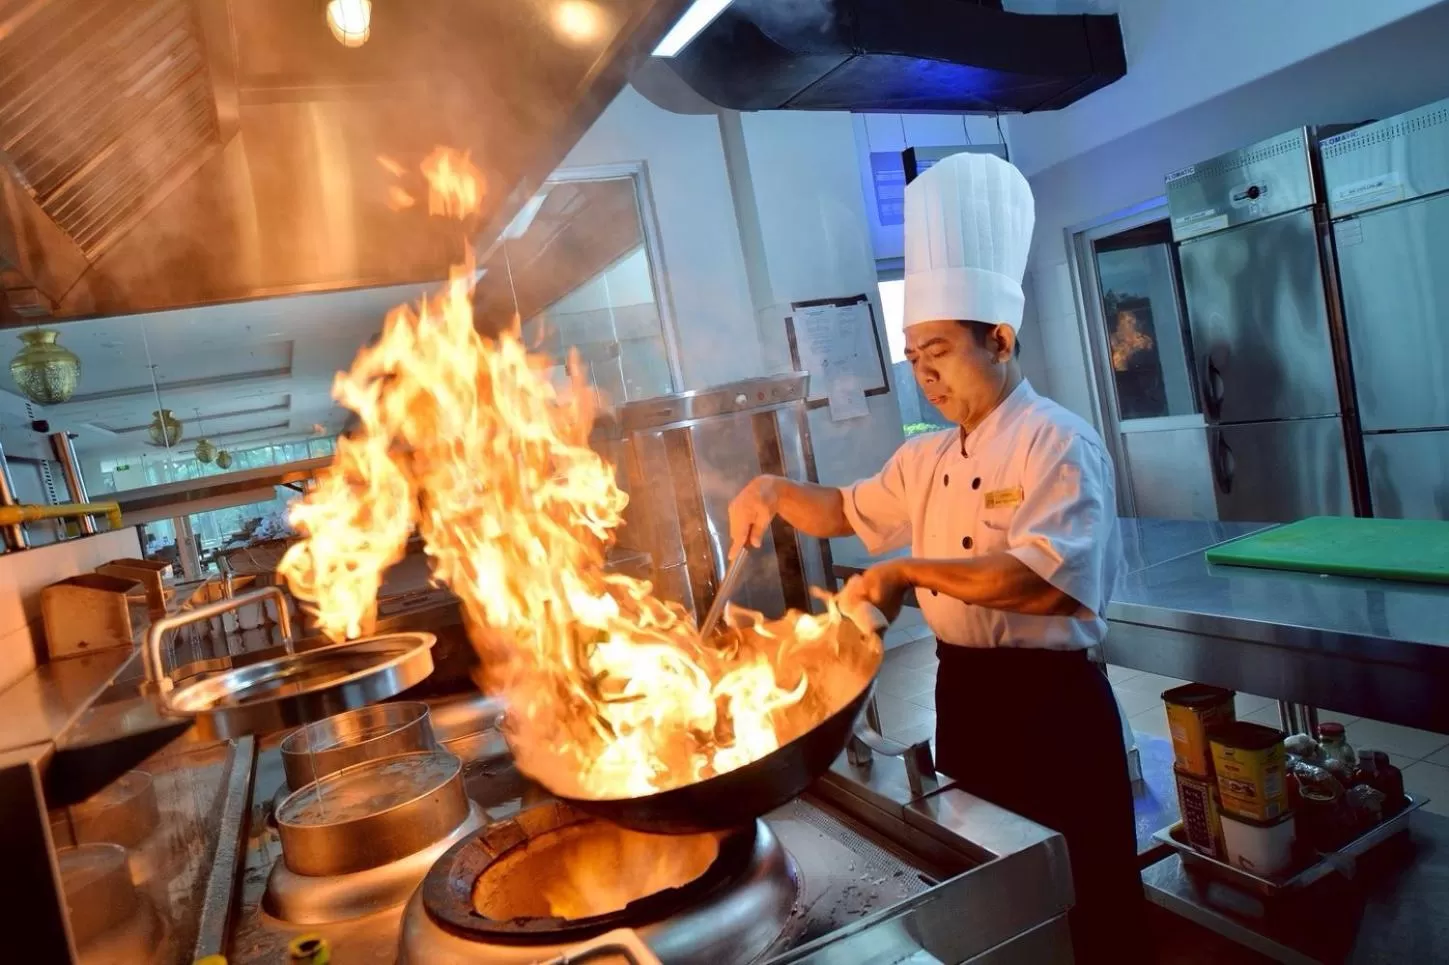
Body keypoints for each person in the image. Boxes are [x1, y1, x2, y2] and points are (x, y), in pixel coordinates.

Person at [727, 152, 1150, 964]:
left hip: (1053, 707)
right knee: (999, 887)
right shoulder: (926, 457)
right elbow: (846, 509)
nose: (924, 377)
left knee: (1088, 889)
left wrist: (904, 572)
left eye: (938, 354)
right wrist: (776, 488)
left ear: (998, 337)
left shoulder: (1055, 441)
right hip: (967, 697)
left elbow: (1040, 583)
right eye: (913, 359)